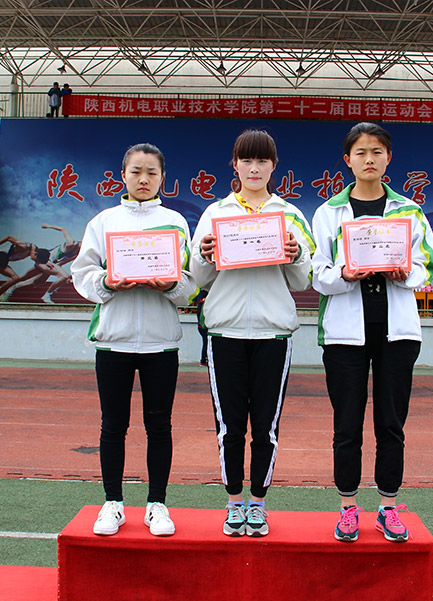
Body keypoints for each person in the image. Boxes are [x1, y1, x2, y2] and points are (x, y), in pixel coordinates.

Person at [311, 122, 433, 543]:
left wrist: (405, 273)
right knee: (347, 425)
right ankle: (348, 507)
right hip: (345, 335)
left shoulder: (409, 212)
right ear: (347, 160)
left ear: (388, 158)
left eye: (377, 151)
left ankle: (388, 507)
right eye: (361, 152)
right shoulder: (329, 213)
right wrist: (345, 274)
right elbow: (317, 273)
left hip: (397, 334)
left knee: (391, 424)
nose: (369, 159)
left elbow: (427, 266)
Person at [70, 142, 196, 538]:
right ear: (122, 175)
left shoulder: (175, 222)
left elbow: (190, 284)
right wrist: (107, 282)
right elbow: (82, 273)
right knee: (113, 425)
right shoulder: (104, 221)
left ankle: (157, 504)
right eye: (136, 171)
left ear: (163, 178)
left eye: (152, 173)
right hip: (114, 341)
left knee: (159, 426)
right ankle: (113, 503)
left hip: (161, 342)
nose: (144, 179)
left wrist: (171, 285)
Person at [191, 129, 313, 538]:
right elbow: (199, 276)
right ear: (235, 165)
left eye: (262, 160)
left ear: (274, 166)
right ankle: (233, 503)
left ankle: (258, 504)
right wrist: (204, 254)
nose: (254, 168)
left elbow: (302, 280)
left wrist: (296, 255)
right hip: (224, 332)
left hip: (273, 334)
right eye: (247, 160)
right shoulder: (216, 213)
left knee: (266, 428)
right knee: (229, 427)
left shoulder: (290, 215)